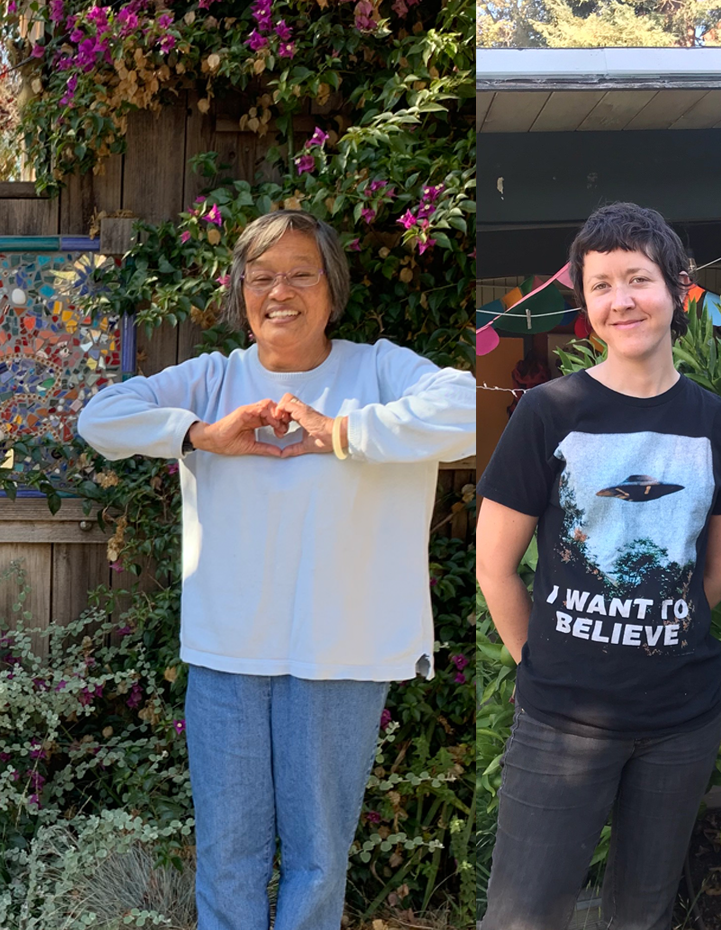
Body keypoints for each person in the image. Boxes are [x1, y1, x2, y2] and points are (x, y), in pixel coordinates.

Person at [75, 209, 474, 930]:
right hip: (228, 652)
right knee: (229, 853)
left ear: (331, 288)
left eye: (298, 273)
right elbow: (100, 418)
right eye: (261, 277)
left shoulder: (377, 369)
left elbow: (473, 412)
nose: (278, 291)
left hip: (341, 654)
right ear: (240, 292)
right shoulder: (213, 380)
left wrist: (344, 430)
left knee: (319, 857)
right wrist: (199, 435)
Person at [475, 202, 721, 930]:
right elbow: (494, 566)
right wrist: (543, 661)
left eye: (637, 279)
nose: (620, 300)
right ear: (584, 305)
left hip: (680, 720)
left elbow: (712, 568)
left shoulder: (708, 416)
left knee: (642, 914)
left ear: (676, 290)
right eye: (600, 286)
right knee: (522, 915)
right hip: (561, 720)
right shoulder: (548, 411)